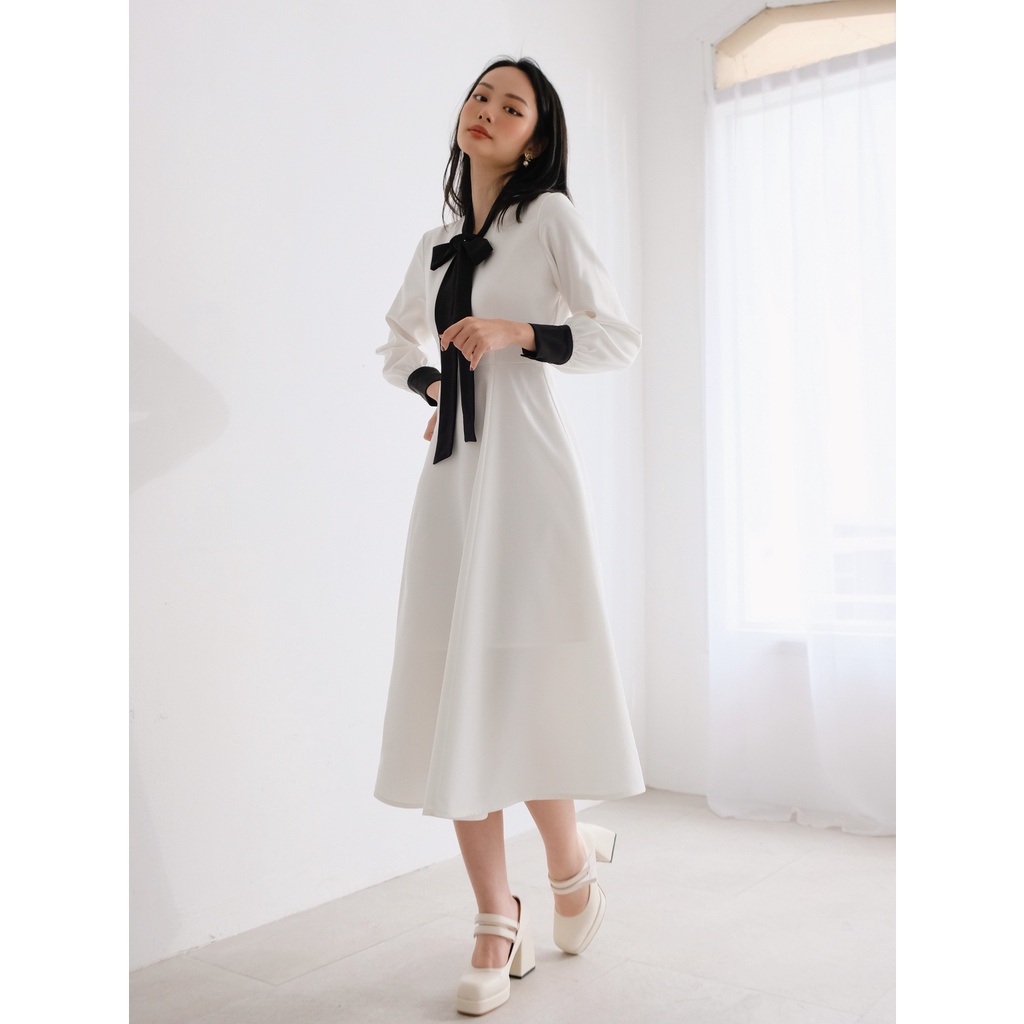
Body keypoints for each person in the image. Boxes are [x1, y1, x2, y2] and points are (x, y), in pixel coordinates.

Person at [374, 56, 645, 1016]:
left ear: (537, 138)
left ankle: (570, 868)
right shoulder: (435, 244)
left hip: (528, 475)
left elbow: (617, 338)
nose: (486, 110)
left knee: (524, 678)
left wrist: (518, 333)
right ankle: (499, 916)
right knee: (463, 686)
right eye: (480, 96)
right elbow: (396, 345)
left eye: (511, 104)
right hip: (454, 480)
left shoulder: (551, 219)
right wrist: (434, 383)